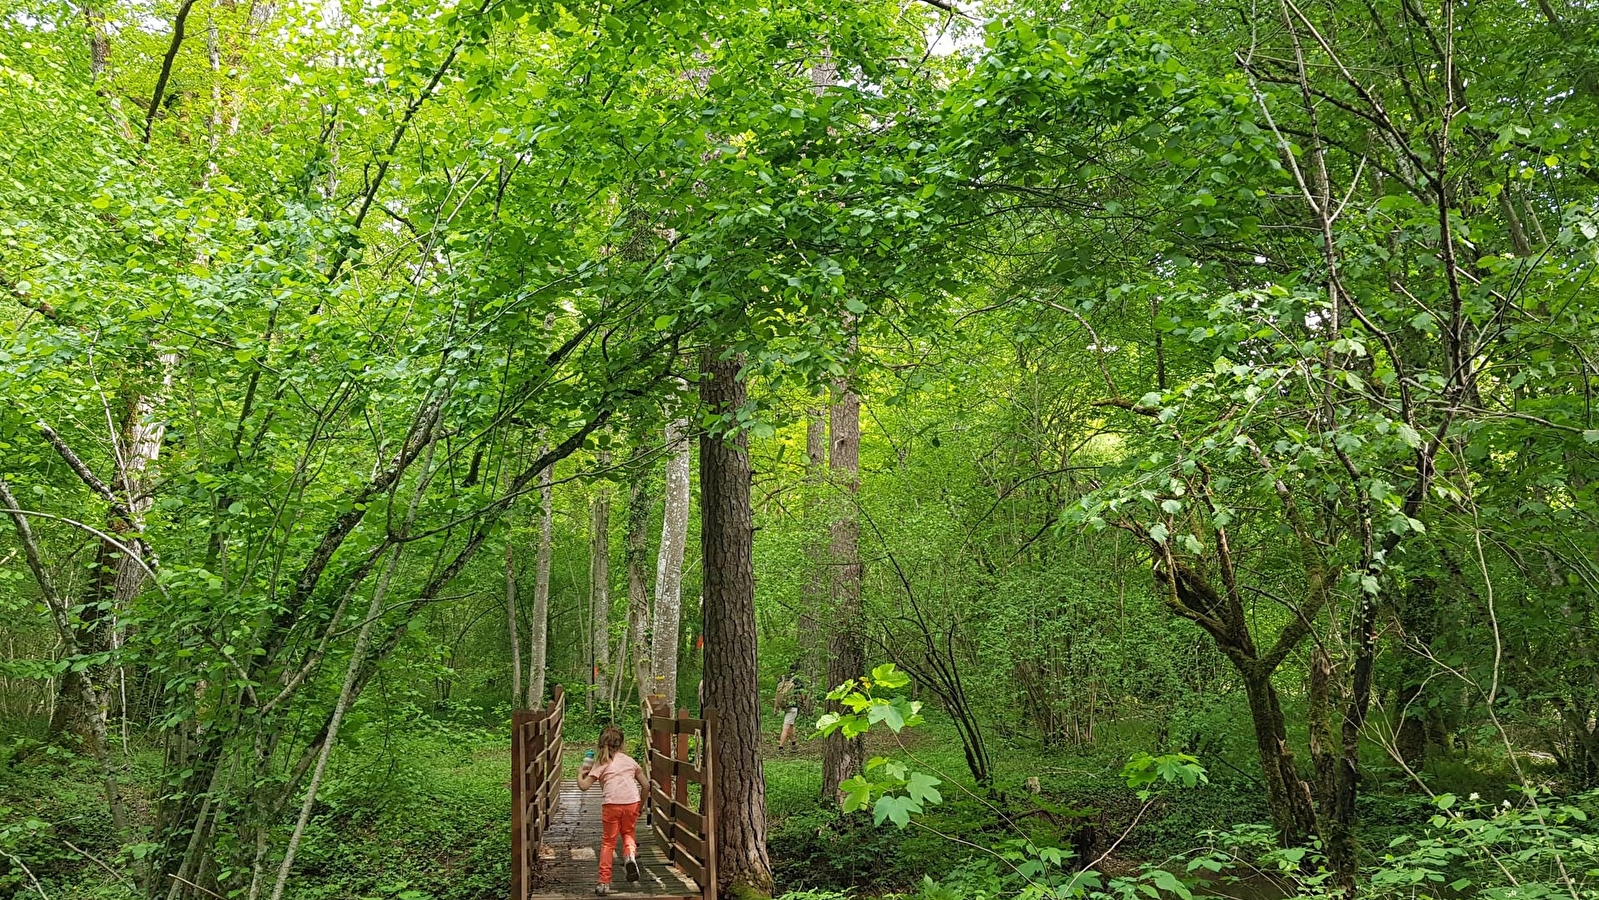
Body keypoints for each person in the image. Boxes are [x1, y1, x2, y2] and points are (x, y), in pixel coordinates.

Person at [578, 725, 650, 895]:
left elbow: (583, 786)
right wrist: (641, 805)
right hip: (632, 802)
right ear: (622, 745)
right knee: (628, 833)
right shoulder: (629, 761)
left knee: (608, 842)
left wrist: (580, 773)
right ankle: (629, 856)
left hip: (611, 805)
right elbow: (646, 785)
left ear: (600, 744)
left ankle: (604, 882)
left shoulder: (601, 763)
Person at [775, 669, 806, 751]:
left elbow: (777, 694)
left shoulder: (782, 679)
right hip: (793, 707)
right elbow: (802, 694)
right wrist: (804, 701)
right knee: (785, 727)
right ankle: (780, 747)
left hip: (785, 706)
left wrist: (776, 707)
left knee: (791, 725)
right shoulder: (797, 680)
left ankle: (794, 743)